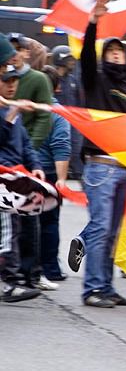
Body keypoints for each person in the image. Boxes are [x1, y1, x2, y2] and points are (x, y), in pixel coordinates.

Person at [68, 0, 126, 308]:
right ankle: (92, 289)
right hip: (101, 167)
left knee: (112, 230)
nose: (115, 55)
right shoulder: (96, 80)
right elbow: (87, 56)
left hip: (125, 166)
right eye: (111, 50)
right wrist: (93, 22)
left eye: (119, 51)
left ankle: (107, 286)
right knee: (100, 227)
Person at [0, 38, 45, 303]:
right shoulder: (7, 111)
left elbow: (26, 145)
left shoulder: (11, 111)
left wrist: (37, 167)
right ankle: (10, 283)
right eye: (6, 78)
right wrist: (10, 114)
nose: (11, 83)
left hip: (14, 178)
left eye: (13, 80)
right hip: (2, 178)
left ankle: (17, 278)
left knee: (14, 229)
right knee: (7, 232)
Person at [36, 66, 71, 285]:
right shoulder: (58, 113)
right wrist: (62, 179)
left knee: (29, 222)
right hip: (48, 173)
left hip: (26, 171)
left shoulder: (27, 105)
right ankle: (50, 269)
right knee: (49, 222)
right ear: (58, 87)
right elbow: (61, 147)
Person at [51, 45, 84, 180]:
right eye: (69, 59)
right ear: (60, 60)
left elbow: (80, 101)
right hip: (56, 122)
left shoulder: (73, 80)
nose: (72, 61)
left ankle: (79, 175)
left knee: (76, 149)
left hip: (73, 123)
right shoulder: (51, 79)